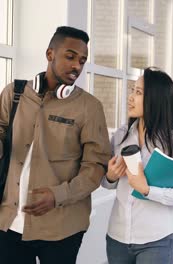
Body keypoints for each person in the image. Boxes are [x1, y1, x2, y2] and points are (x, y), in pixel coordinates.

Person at [0, 26, 111, 263]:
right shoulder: (13, 94)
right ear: (50, 54)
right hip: (8, 222)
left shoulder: (90, 108)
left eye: (82, 60)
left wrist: (58, 195)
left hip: (62, 227)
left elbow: (96, 166)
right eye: (70, 57)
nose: (77, 67)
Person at [102, 67, 173, 264]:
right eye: (132, 90)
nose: (131, 97)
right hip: (118, 236)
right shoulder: (121, 135)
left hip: (157, 239)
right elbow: (107, 183)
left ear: (156, 98)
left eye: (138, 92)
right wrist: (110, 176)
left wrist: (147, 190)